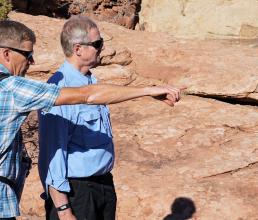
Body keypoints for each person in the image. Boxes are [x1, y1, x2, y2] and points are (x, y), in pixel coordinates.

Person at [0, 19, 180, 220]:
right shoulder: (15, 88)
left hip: (99, 187)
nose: (32, 62)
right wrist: (62, 209)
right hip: (77, 193)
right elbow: (54, 150)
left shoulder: (90, 80)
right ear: (6, 54)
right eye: (28, 54)